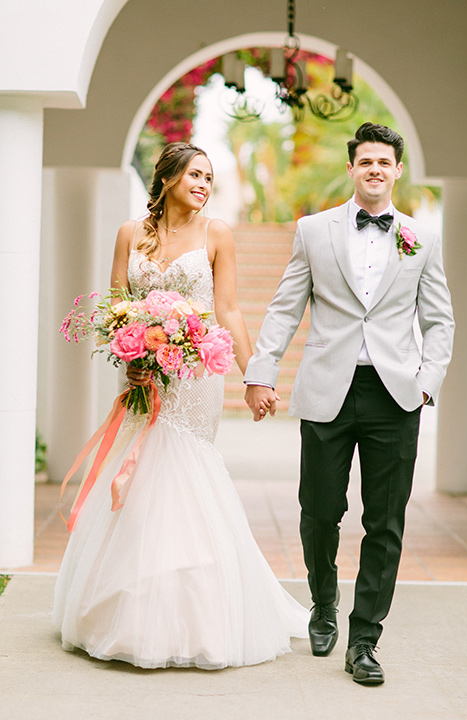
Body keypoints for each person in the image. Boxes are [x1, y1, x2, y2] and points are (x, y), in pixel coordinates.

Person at [54, 142, 309, 670]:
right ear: (168, 177)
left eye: (209, 177)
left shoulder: (217, 233)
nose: (203, 184)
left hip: (196, 377)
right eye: (195, 174)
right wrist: (130, 354)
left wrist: (255, 375)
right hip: (146, 373)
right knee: (142, 472)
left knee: (184, 470)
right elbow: (115, 307)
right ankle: (128, 606)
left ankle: (197, 611)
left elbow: (230, 309)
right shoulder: (130, 233)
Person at [244, 123, 454, 685]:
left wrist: (427, 380)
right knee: (319, 511)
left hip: (394, 394)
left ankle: (364, 639)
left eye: (385, 162)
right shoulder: (314, 231)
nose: (376, 171)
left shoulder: (421, 238)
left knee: (384, 522)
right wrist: (261, 372)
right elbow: (286, 307)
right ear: (352, 168)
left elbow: (439, 319)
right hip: (326, 391)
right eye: (366, 162)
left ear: (398, 170)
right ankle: (323, 603)